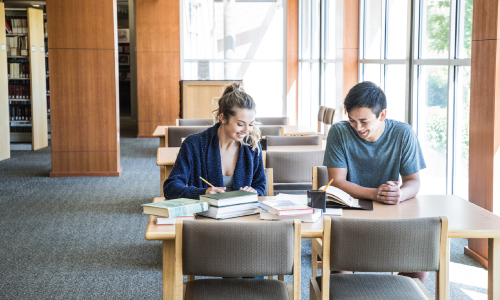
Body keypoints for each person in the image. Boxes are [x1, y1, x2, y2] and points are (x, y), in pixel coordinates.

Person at [323, 81, 427, 281]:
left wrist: (400, 194)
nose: (357, 127)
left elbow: (413, 181)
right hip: (349, 215)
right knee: (340, 270)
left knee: (421, 259)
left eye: (364, 121)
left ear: (382, 115)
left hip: (391, 213)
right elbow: (336, 182)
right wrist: (375, 194)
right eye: (352, 120)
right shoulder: (339, 132)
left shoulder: (403, 133)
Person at [163, 83, 266, 199]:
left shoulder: (252, 146)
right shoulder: (193, 144)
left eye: (251, 124)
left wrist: (254, 192)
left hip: (243, 214)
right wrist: (203, 193)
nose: (247, 131)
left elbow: (260, 186)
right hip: (206, 214)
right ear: (223, 118)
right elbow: (170, 188)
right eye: (240, 124)